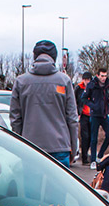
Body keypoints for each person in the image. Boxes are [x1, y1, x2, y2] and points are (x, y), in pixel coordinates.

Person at [9, 40, 79, 168]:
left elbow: (15, 120)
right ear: (54, 57)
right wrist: (73, 149)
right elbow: (72, 119)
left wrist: (19, 145)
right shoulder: (64, 81)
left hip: (30, 147)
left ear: (35, 56)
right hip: (60, 146)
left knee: (31, 181)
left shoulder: (21, 82)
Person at [85, 68, 109, 165]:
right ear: (97, 76)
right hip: (95, 114)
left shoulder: (108, 85)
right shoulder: (92, 85)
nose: (103, 78)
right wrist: (93, 105)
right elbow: (84, 98)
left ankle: (100, 155)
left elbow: (108, 96)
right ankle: (93, 160)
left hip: (104, 114)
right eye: (102, 76)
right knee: (94, 138)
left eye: (105, 76)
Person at [74, 71, 93, 164]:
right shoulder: (79, 88)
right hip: (83, 114)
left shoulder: (93, 88)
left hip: (92, 114)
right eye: (85, 80)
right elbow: (75, 101)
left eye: (88, 80)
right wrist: (77, 112)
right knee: (85, 136)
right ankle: (84, 158)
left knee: (91, 137)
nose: (86, 82)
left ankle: (87, 156)